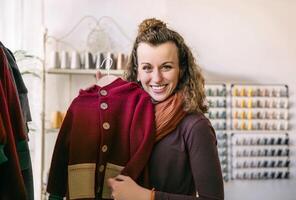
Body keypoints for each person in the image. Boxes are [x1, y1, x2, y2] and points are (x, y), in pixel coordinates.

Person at [107, 18, 224, 200]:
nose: (157, 78)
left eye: (166, 67)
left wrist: (147, 197)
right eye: (147, 68)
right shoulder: (127, 118)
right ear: (137, 71)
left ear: (181, 70)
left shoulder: (195, 126)